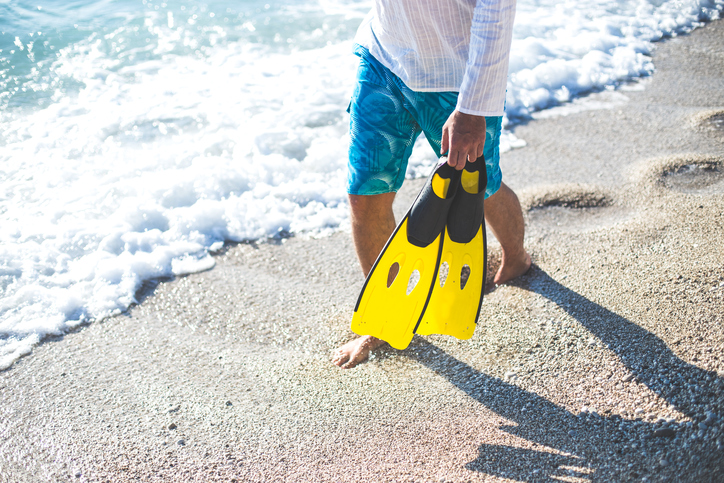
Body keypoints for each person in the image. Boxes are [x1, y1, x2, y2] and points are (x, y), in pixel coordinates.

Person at [332, 0, 531, 369]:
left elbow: (497, 13)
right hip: (384, 58)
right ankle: (382, 322)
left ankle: (517, 258)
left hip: (457, 78)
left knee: (480, 188)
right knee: (364, 195)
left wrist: (472, 109)